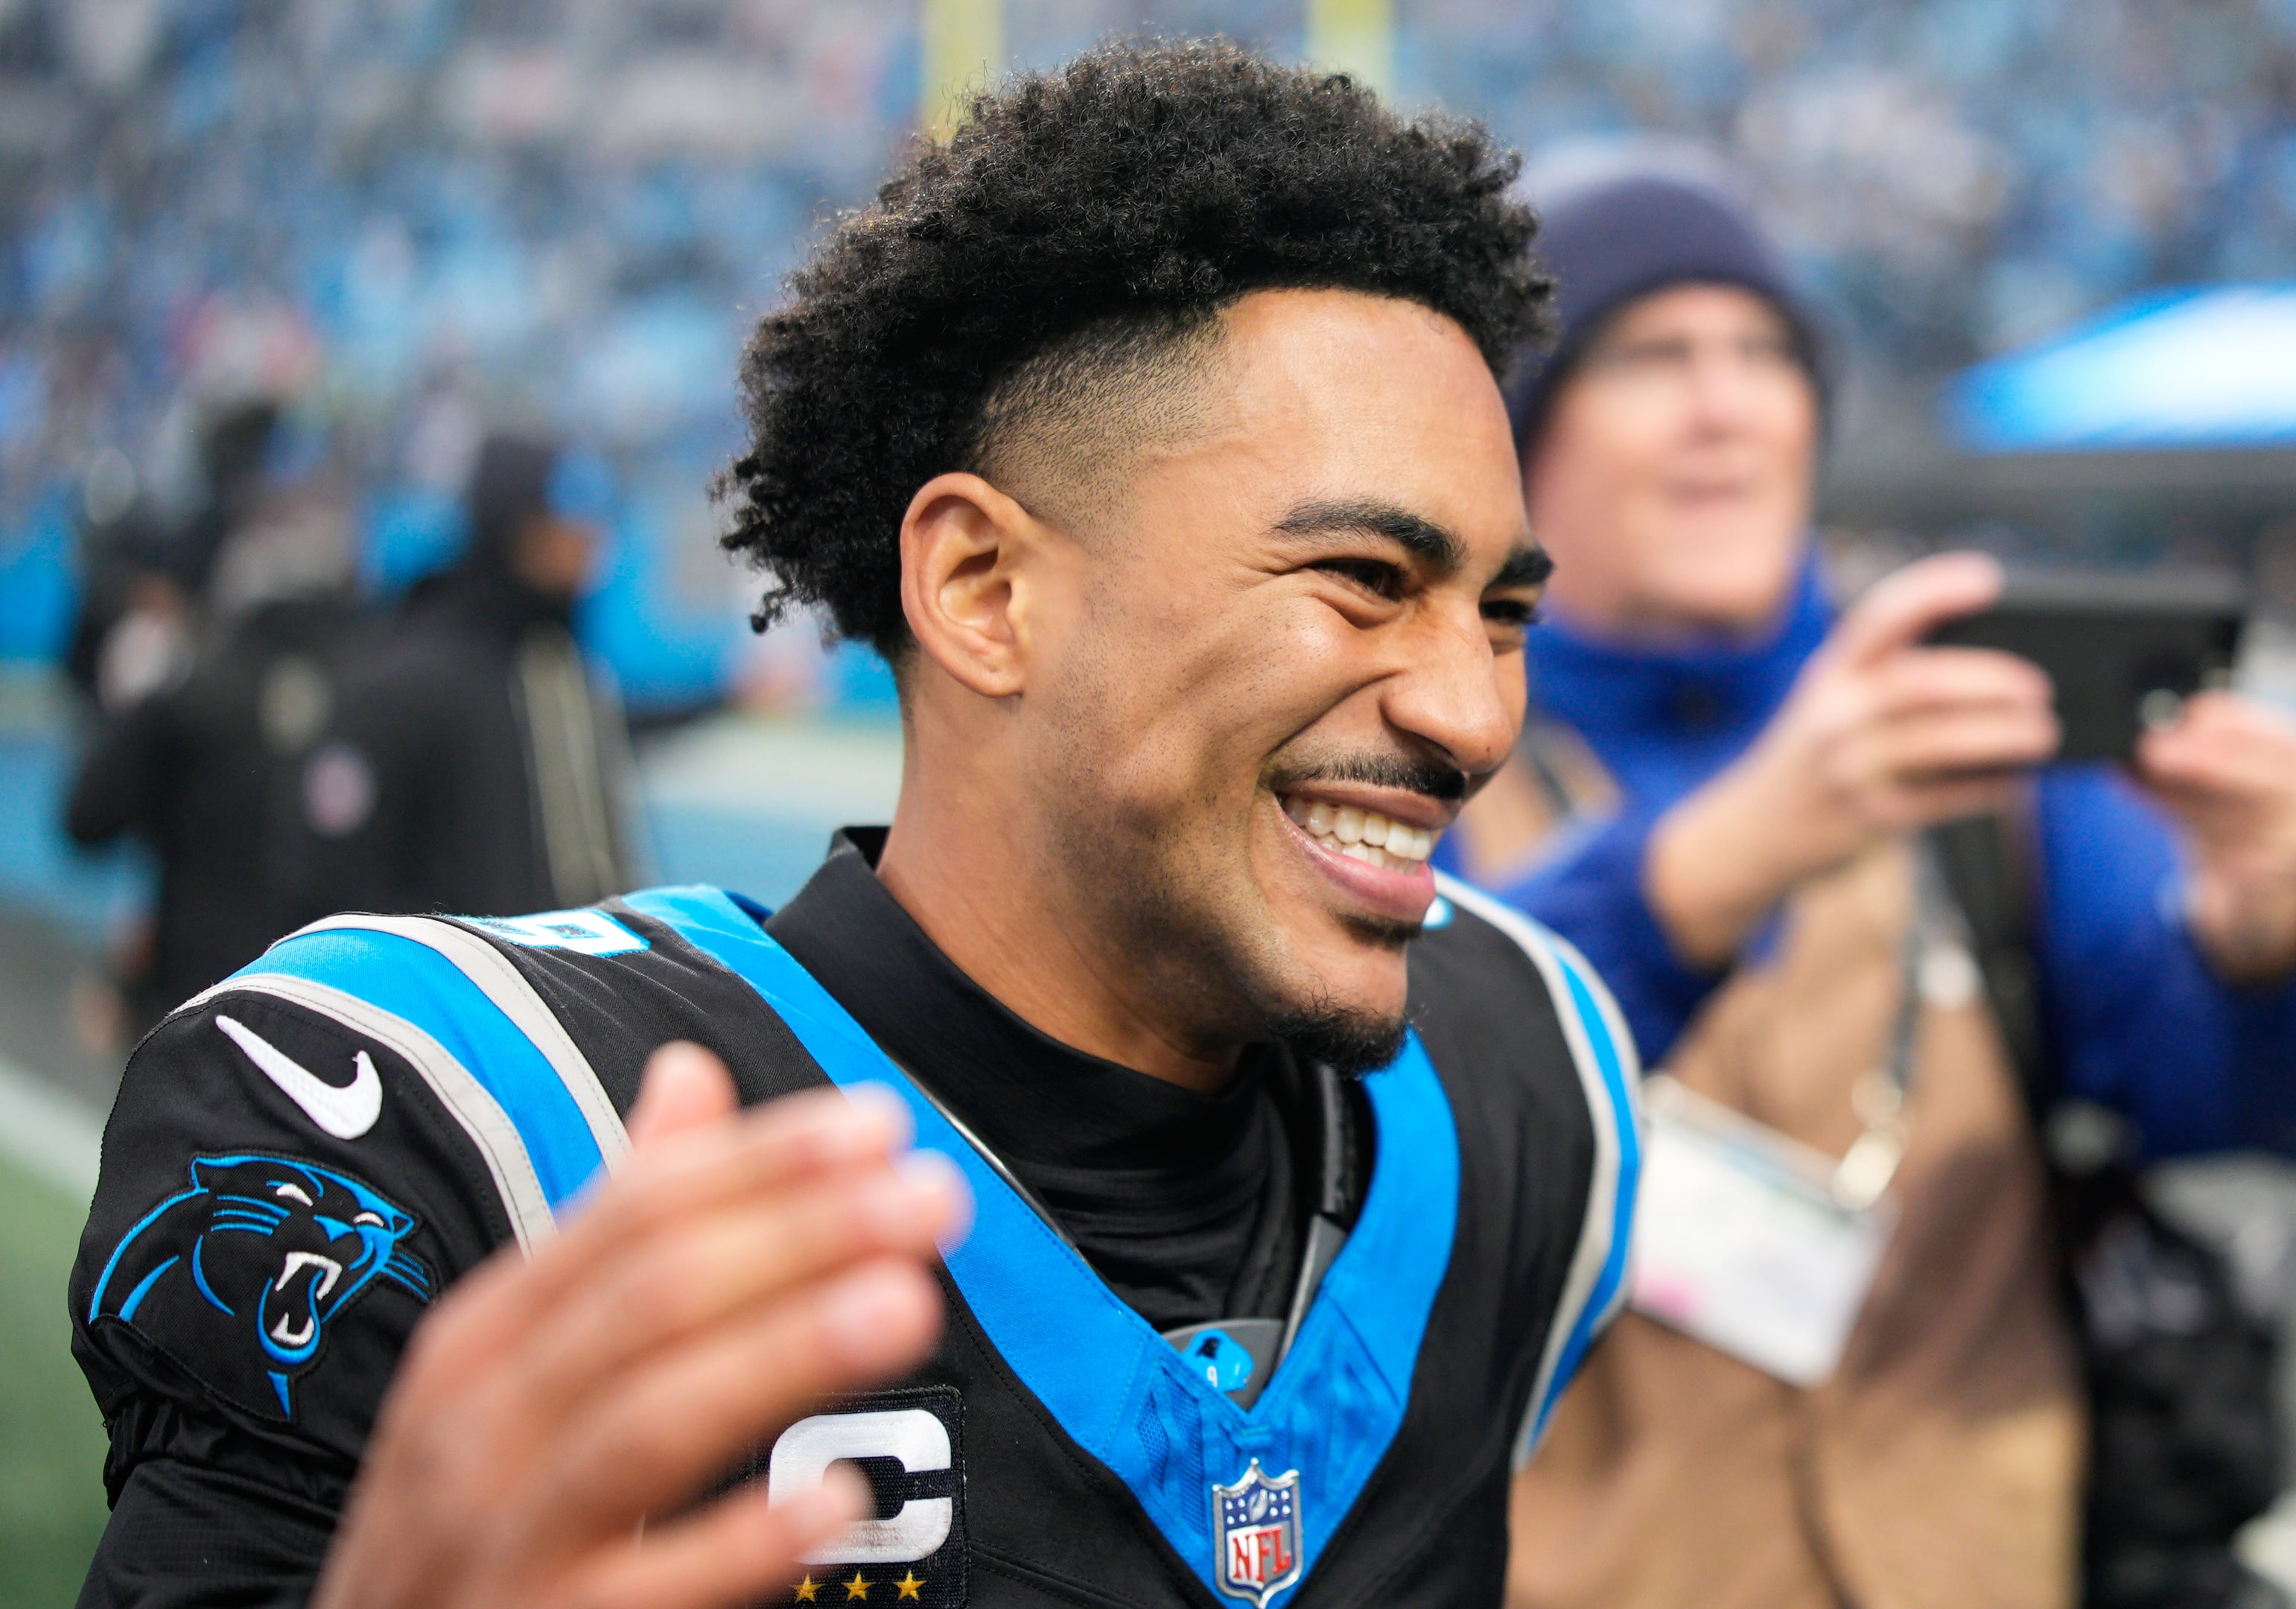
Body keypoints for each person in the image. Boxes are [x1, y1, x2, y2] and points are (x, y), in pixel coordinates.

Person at [69, 42, 1638, 1609]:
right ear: (981, 591)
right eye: (1366, 580)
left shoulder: (1528, 1083)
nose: (1474, 713)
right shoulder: (463, 1133)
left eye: (1500, 613)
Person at [1457, 158, 2296, 1609]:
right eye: (1653, 358)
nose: (1728, 404)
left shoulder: (1981, 748)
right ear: (1528, 437)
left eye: (1769, 355)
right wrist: (1711, 865)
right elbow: (1351, 1128)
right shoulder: (1422, 748)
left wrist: (2273, 922)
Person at [63, 405, 368, 1029]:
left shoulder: (191, 684)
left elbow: (88, 819)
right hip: (327, 1018)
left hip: (192, 1007)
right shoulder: (376, 695)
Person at [310, 431, 644, 918]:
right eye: (570, 523)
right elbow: (331, 885)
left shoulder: (556, 672)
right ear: (520, 531)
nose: (591, 544)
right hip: (456, 986)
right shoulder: (406, 686)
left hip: (550, 984)